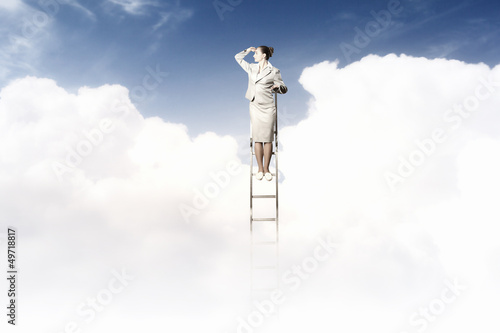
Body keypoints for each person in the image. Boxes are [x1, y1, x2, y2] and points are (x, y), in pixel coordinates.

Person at [235, 46, 288, 181]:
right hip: (255, 106)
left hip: (268, 107)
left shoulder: (274, 71)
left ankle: (267, 169)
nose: (254, 56)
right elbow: (237, 58)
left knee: (268, 138)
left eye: (256, 53)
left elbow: (284, 88)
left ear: (264, 55)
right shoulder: (251, 67)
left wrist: (278, 87)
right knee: (257, 137)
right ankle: (259, 169)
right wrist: (248, 50)